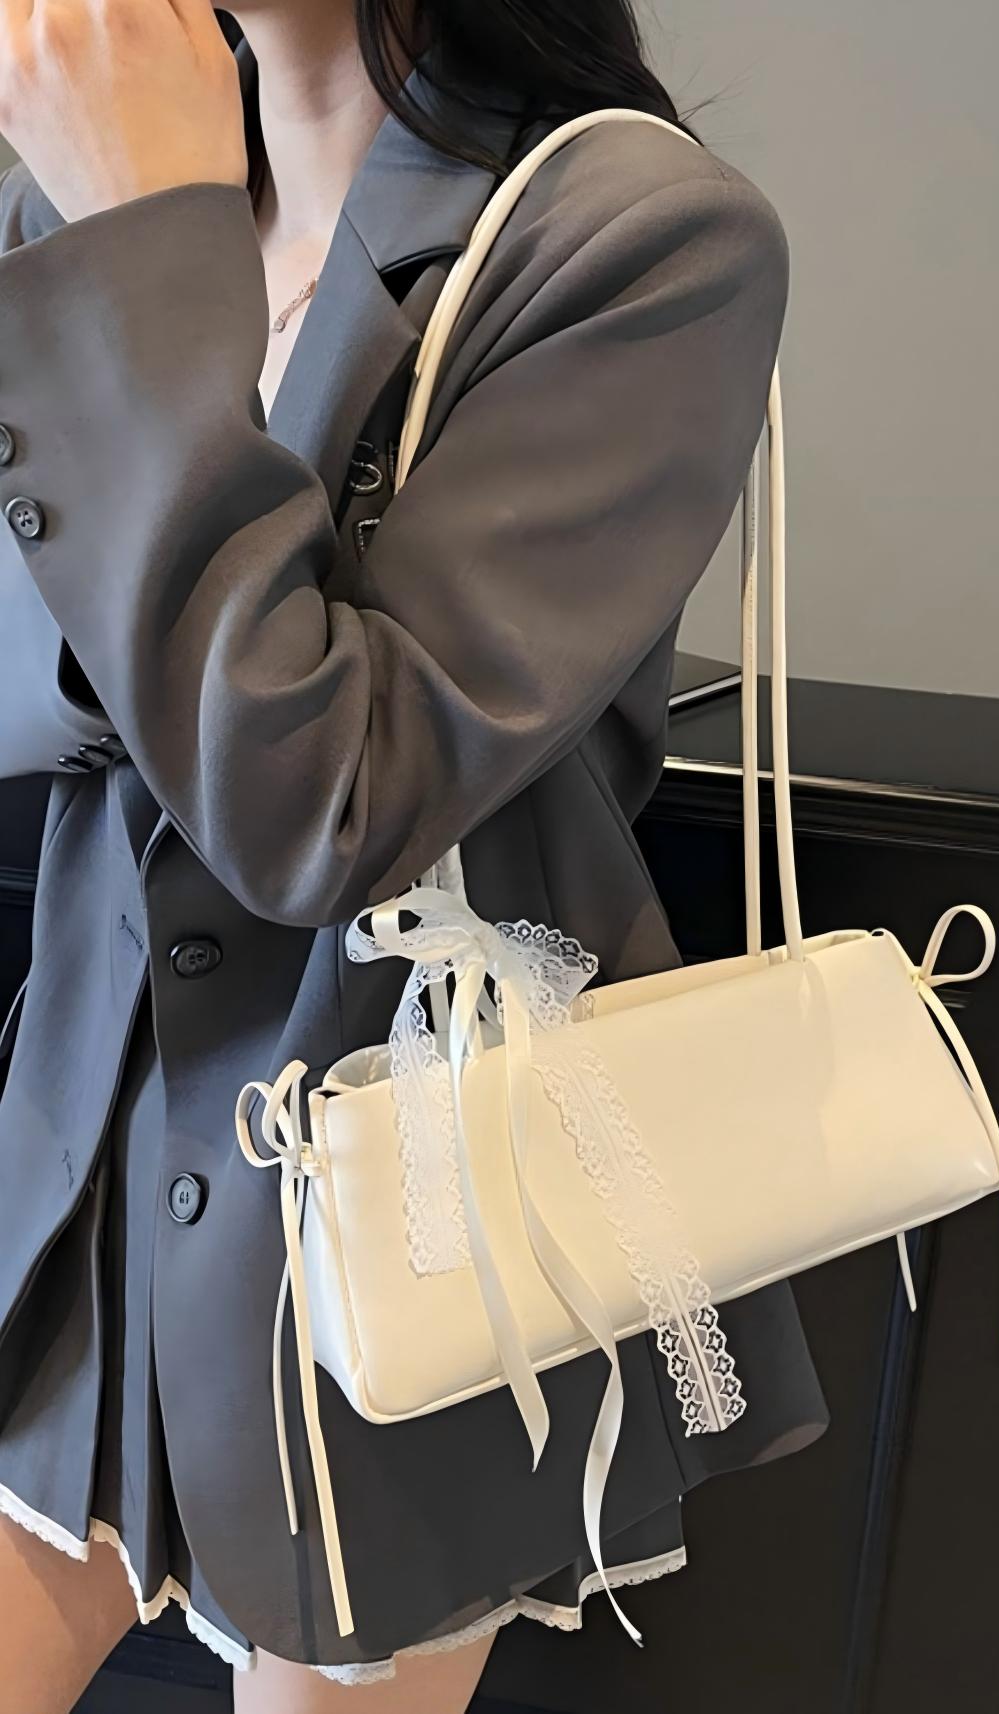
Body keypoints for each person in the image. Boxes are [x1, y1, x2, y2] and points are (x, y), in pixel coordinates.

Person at [0, 0, 829, 1707]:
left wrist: (146, 254)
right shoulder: (69, 180)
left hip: (400, 1180)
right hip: (82, 1146)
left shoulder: (635, 237)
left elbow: (327, 799)